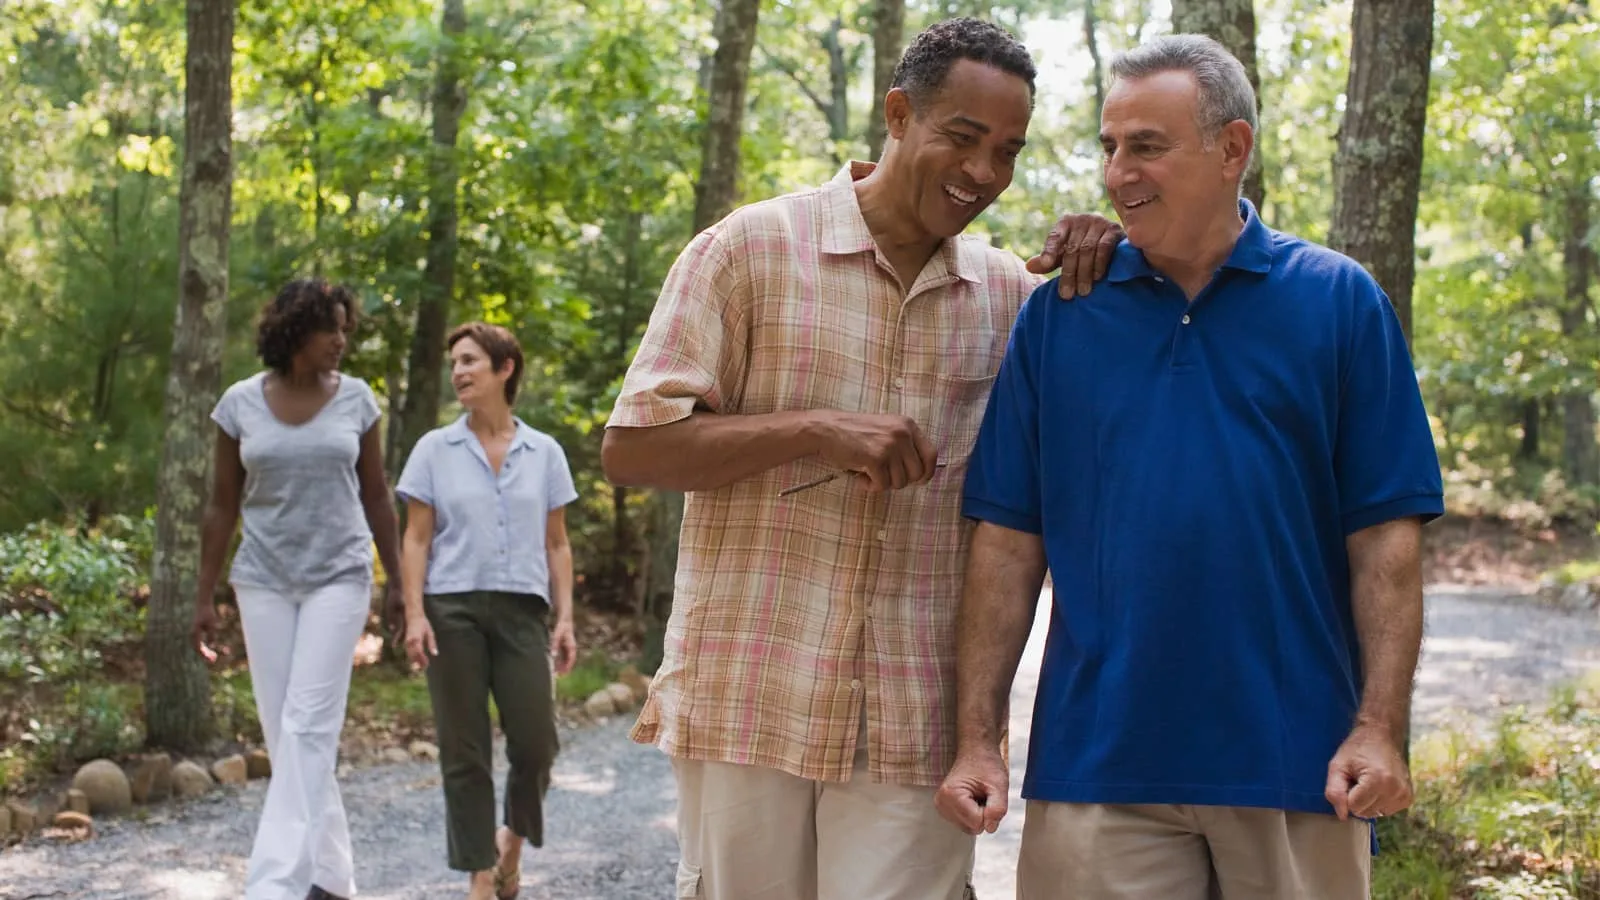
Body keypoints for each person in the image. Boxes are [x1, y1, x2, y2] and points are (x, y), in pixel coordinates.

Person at [600, 17, 1119, 900]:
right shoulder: (747, 250)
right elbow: (632, 450)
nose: (984, 174)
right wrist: (815, 429)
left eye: (1008, 151)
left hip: (915, 715)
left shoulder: (1007, 295)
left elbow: (1112, 366)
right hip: (747, 694)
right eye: (963, 137)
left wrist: (1104, 245)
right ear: (897, 113)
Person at [936, 34, 1446, 899]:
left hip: (1296, 764)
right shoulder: (1063, 314)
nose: (1116, 173)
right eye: (1108, 146)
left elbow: (1385, 541)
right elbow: (1008, 541)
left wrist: (1379, 727)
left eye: (1147, 147)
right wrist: (979, 738)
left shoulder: (1339, 302)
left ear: (1232, 149)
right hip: (1098, 765)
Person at [191, 278, 404, 900]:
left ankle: (275, 885)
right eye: (329, 329)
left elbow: (377, 496)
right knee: (285, 732)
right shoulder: (239, 404)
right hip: (262, 580)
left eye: (345, 329)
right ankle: (333, 878)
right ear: (294, 332)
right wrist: (204, 597)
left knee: (309, 725)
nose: (341, 340)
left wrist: (397, 584)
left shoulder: (357, 401)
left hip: (338, 576)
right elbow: (221, 506)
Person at [396, 321, 579, 900]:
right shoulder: (434, 449)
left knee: (537, 742)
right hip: (451, 609)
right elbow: (416, 539)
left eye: (471, 360)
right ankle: (479, 875)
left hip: (523, 610)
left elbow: (557, 543)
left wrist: (566, 617)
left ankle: (510, 848)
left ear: (505, 369)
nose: (459, 372)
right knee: (464, 748)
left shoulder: (544, 452)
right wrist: (414, 614)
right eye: (454, 363)